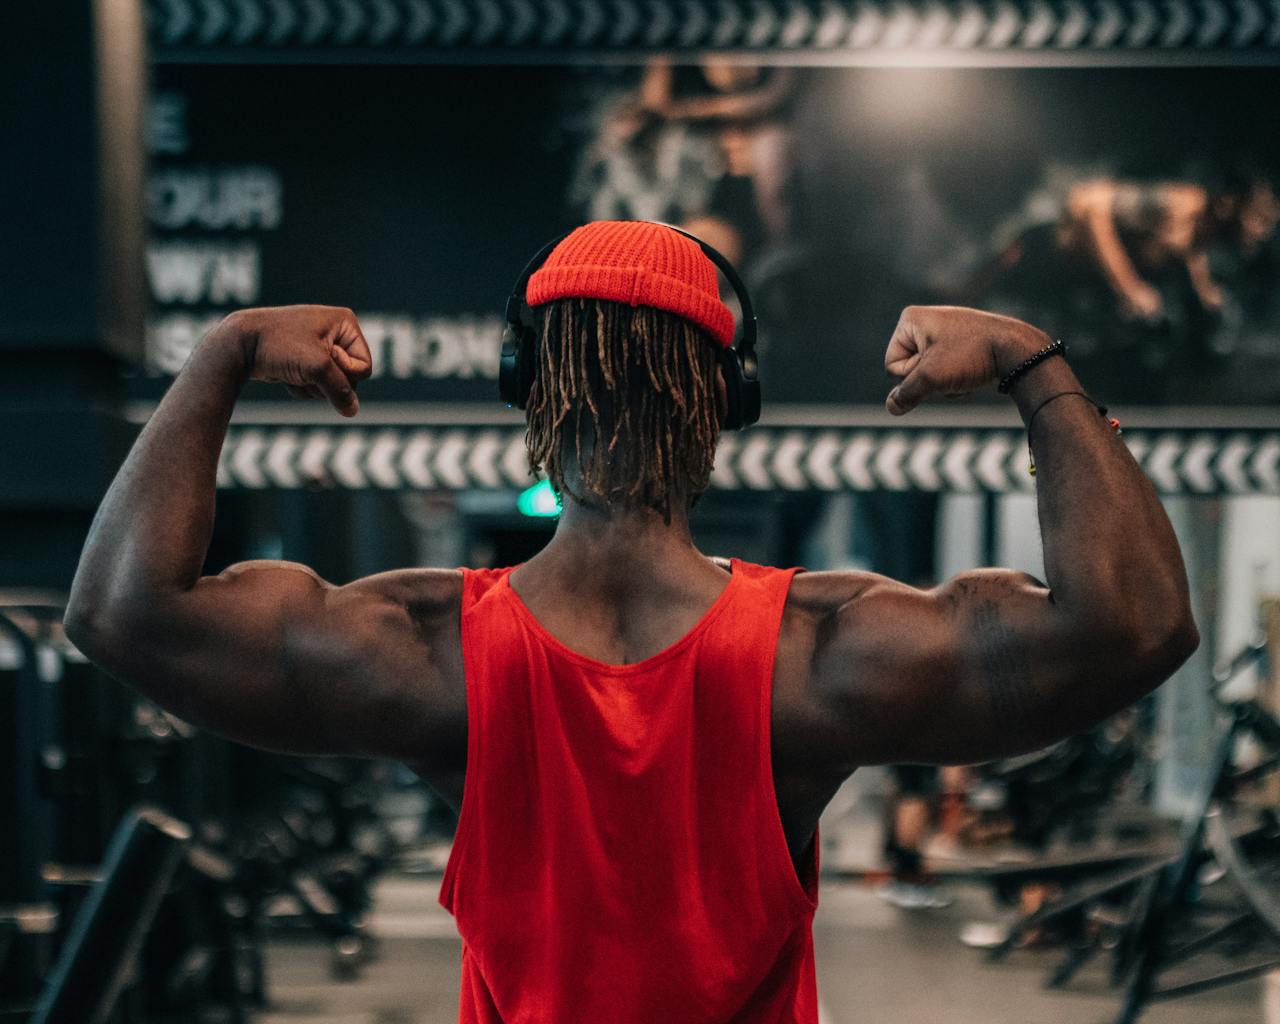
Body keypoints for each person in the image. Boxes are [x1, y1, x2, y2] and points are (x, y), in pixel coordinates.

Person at [67, 221, 1198, 1022]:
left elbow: (121, 611)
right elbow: (1136, 624)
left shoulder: (426, 652)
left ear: (524, 387)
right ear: (728, 401)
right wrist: (1028, 362)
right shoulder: (822, 654)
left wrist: (215, 358)